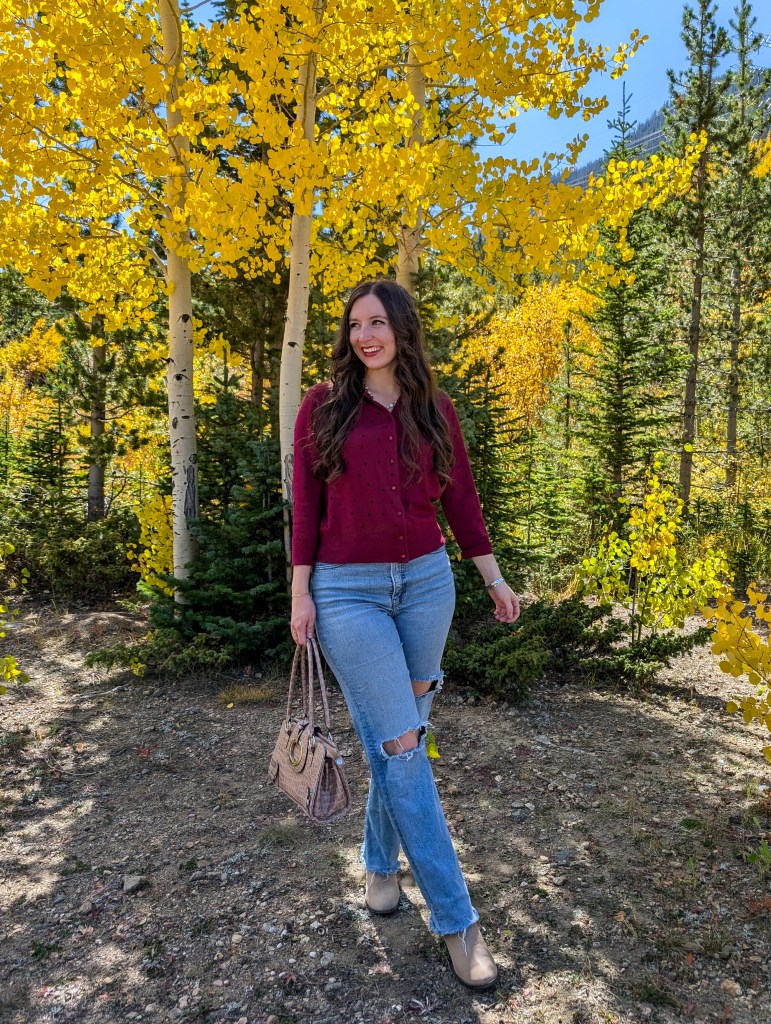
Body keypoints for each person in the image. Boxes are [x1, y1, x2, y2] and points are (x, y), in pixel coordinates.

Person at [289, 277, 520, 990]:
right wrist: (299, 594)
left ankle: (380, 865)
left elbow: (462, 499)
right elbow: (305, 502)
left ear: (402, 331)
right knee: (400, 745)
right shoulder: (323, 406)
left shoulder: (433, 409)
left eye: (378, 323)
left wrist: (492, 578)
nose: (366, 335)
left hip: (426, 585)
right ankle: (458, 922)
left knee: (405, 736)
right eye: (356, 324)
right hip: (345, 592)